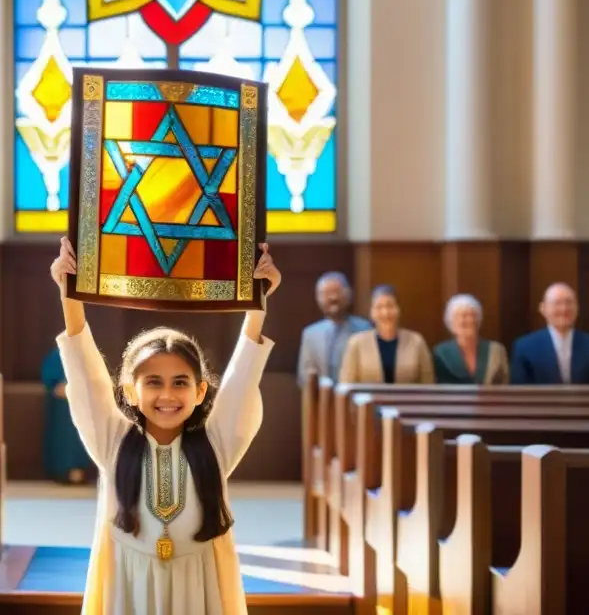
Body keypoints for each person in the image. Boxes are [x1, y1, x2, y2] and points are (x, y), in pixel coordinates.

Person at [50, 236, 281, 614]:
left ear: (201, 390)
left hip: (199, 588)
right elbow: (85, 372)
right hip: (130, 589)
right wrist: (68, 292)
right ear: (129, 389)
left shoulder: (217, 444)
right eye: (153, 382)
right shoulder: (113, 442)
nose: (167, 396)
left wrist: (259, 298)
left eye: (180, 383)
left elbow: (242, 378)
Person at [510, 282, 589, 385]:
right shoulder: (525, 347)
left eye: (569, 303)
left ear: (577, 307)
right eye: (557, 303)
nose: (564, 309)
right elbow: (519, 393)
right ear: (543, 309)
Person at [338, 285, 433, 384]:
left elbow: (428, 385)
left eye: (390, 306)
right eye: (379, 307)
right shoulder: (356, 343)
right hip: (370, 399)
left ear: (398, 309)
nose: (385, 313)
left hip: (407, 399)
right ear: (371, 313)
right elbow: (346, 384)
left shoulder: (416, 342)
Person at [296, 272, 372, 386]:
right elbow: (303, 375)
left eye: (337, 292)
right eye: (326, 293)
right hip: (320, 399)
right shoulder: (310, 334)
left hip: (355, 398)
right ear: (318, 298)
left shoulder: (365, 329)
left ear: (349, 295)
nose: (333, 297)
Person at [41, 345, 93, 484]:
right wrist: (58, 388)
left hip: (82, 404)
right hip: (61, 407)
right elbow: (49, 379)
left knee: (78, 438)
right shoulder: (56, 355)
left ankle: (78, 471)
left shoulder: (86, 354)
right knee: (61, 438)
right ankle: (60, 471)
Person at [432, 294, 509, 385]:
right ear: (451, 322)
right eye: (460, 316)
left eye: (471, 315)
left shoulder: (497, 350)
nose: (466, 320)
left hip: (491, 399)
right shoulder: (440, 352)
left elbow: (505, 384)